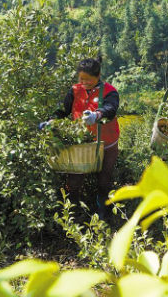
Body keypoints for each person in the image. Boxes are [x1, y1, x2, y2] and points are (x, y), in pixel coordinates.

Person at [39, 55, 120, 220]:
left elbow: (111, 109)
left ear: (97, 76)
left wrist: (97, 115)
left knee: (104, 180)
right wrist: (51, 121)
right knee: (74, 181)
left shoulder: (110, 91)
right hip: (82, 144)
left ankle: (102, 215)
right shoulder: (75, 90)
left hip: (106, 142)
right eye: (81, 78)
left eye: (88, 79)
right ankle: (73, 215)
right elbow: (62, 110)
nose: (84, 82)